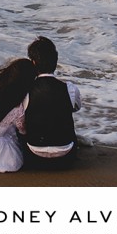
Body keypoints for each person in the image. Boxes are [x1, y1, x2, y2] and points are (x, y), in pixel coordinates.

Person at [22, 36, 82, 169]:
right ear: (55, 62)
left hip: (33, 157)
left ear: (33, 63)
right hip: (66, 157)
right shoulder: (70, 88)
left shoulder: (26, 90)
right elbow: (76, 107)